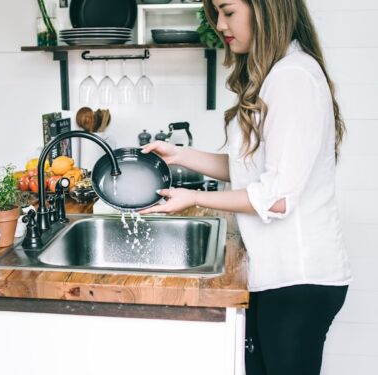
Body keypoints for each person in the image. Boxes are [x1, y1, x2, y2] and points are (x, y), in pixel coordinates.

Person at [139, 0, 352, 374]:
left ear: (266, 9)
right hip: (281, 276)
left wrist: (194, 197)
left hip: (299, 280)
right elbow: (248, 170)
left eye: (228, 11)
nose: (220, 24)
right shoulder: (277, 73)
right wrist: (180, 155)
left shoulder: (293, 77)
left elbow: (277, 198)